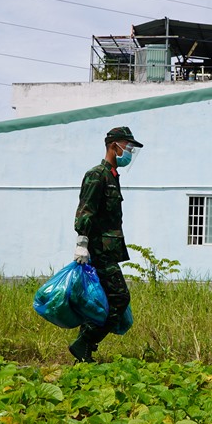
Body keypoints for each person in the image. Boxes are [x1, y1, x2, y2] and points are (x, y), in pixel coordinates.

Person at [69, 126, 144, 363]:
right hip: (98, 251)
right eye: (127, 147)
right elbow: (86, 210)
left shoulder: (112, 176)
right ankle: (84, 342)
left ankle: (84, 352)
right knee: (119, 298)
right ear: (114, 146)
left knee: (98, 301)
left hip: (109, 251)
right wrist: (82, 242)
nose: (129, 152)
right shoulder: (97, 175)